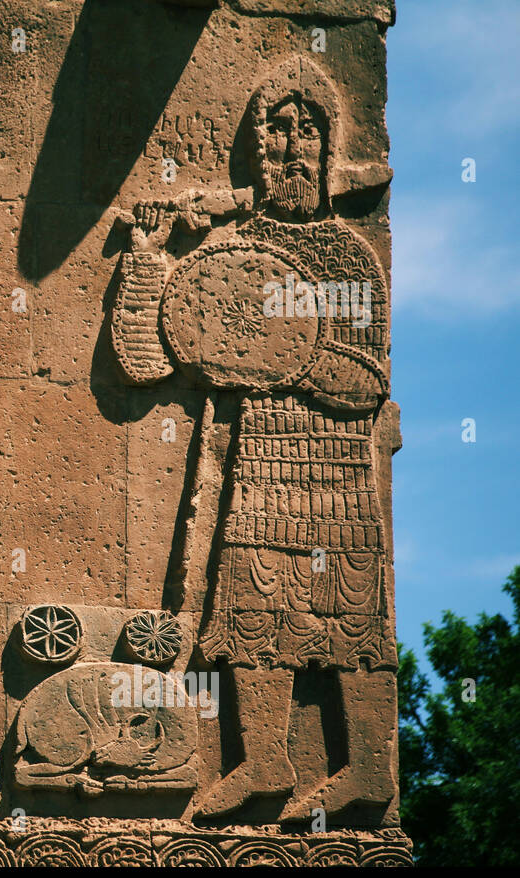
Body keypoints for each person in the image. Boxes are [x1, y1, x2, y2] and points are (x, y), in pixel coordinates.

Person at [114, 56, 396, 822]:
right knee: (249, 609)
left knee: (348, 613)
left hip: (334, 466)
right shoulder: (225, 255)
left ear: (330, 145)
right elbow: (147, 359)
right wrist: (146, 257)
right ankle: (264, 762)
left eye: (309, 130)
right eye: (277, 130)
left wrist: (284, 348)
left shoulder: (347, 257)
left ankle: (370, 767)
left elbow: (366, 382)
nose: (293, 146)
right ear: (254, 147)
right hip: (257, 458)